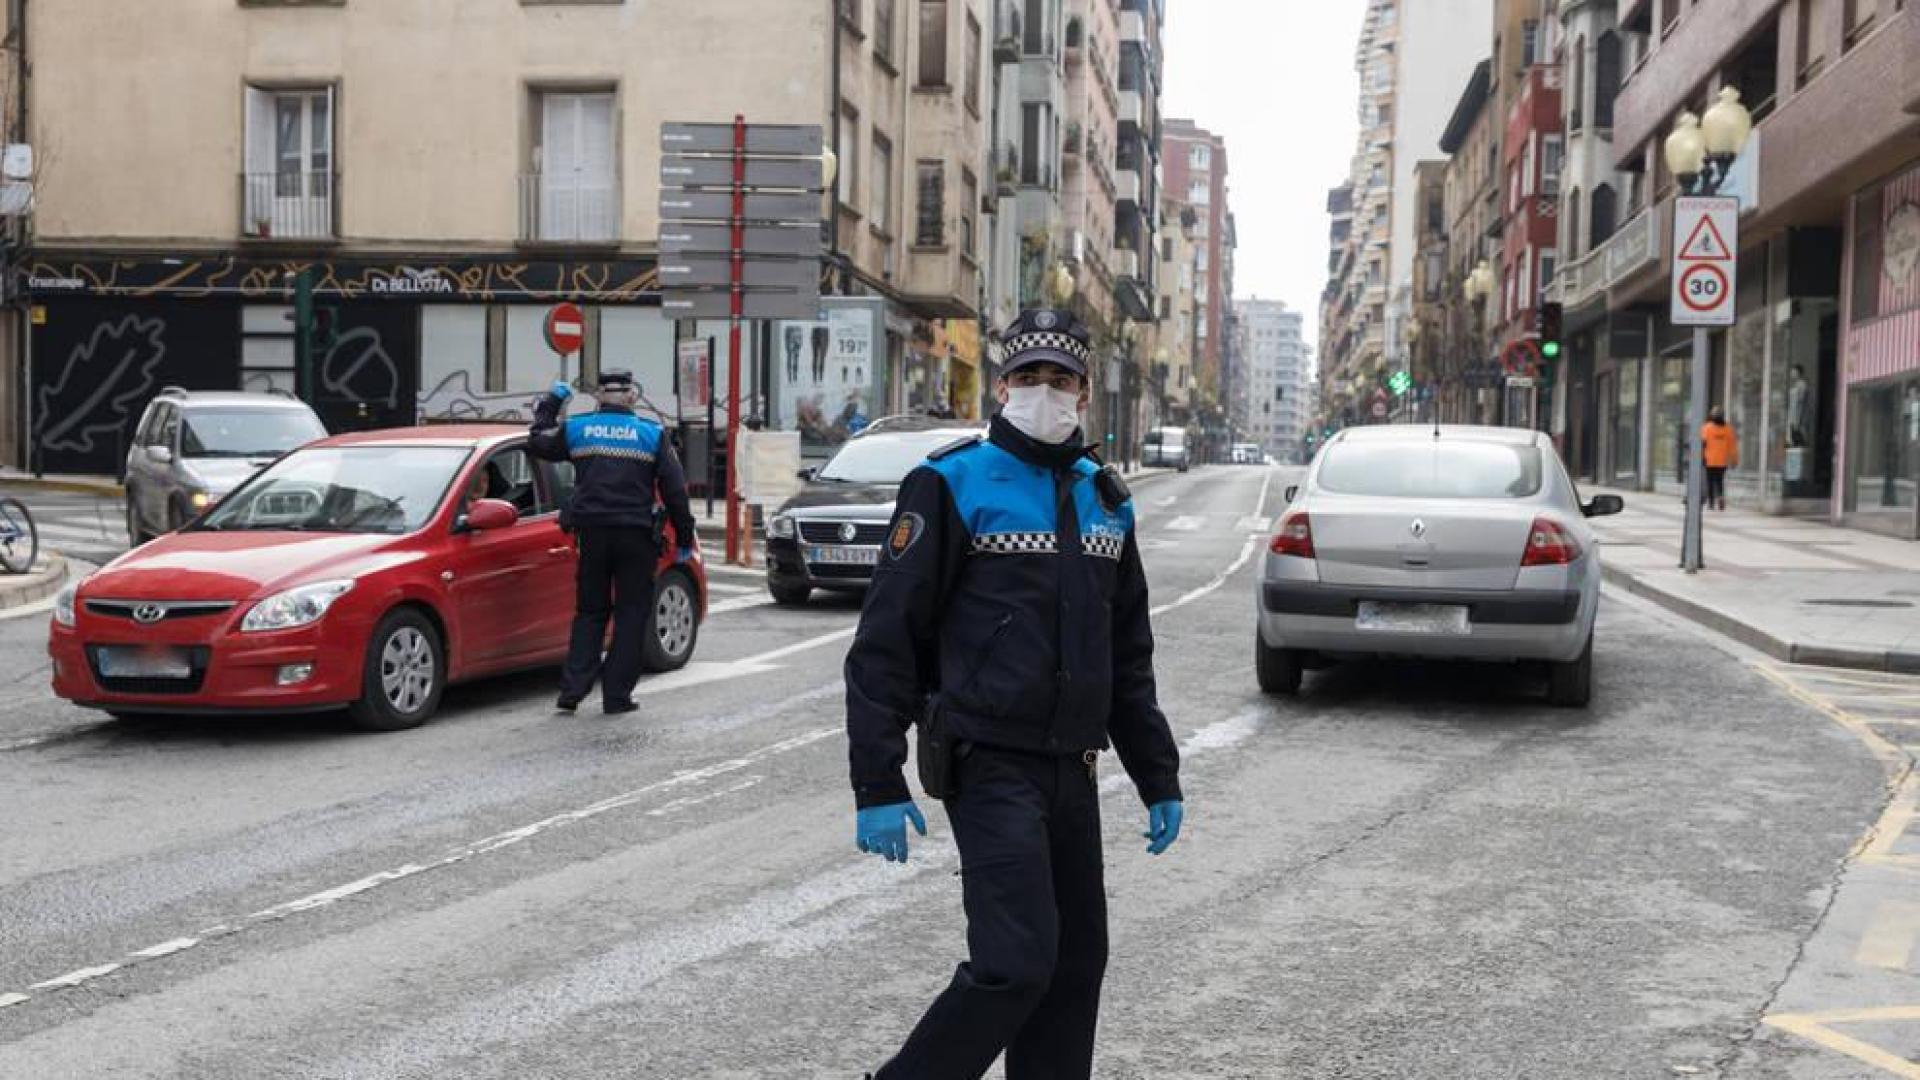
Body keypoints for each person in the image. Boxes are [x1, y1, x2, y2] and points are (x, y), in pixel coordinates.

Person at [844, 309, 1185, 1080]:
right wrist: (876, 780)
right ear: (1002, 387)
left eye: (1060, 379)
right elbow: (886, 641)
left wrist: (1157, 774)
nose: (1044, 391)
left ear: (1084, 393)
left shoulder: (1107, 500)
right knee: (1015, 964)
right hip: (988, 761)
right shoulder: (950, 482)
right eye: (1028, 376)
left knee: (1075, 968)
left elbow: (1127, 655)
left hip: (1074, 768)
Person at [529, 369, 697, 716]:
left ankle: (573, 690)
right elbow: (675, 491)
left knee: (590, 612)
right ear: (632, 397)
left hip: (592, 535)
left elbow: (538, 442)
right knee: (631, 614)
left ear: (598, 397)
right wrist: (683, 536)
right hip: (636, 537)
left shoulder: (578, 429)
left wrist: (552, 403)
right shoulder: (651, 434)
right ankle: (616, 696)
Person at [1702, 406, 1738, 512]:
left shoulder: (1707, 428)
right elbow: (1732, 446)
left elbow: (1703, 444)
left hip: (1709, 460)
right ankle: (1720, 497)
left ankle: (1711, 502)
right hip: (1722, 461)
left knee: (1710, 481)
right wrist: (1734, 459)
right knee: (1719, 481)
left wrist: (1701, 457)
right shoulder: (1728, 429)